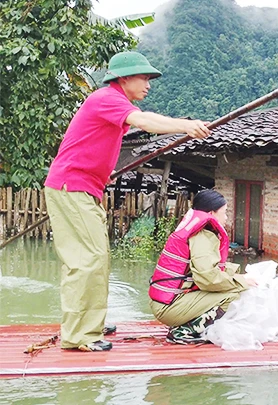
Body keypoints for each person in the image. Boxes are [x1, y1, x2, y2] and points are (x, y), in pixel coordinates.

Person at [44, 51, 211, 351]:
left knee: (94, 258)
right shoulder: (106, 98)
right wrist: (185, 125)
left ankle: (89, 322)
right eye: (144, 78)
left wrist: (102, 173)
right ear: (123, 78)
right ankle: (79, 334)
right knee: (86, 260)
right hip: (72, 186)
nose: (149, 84)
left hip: (84, 186)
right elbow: (145, 122)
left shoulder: (113, 103)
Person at [149, 190, 256, 344]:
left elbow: (205, 272)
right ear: (212, 213)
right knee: (234, 295)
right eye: (225, 213)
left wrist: (238, 274)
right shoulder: (202, 236)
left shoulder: (196, 231)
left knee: (234, 287)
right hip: (169, 308)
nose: (226, 218)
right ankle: (185, 332)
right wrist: (242, 281)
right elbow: (208, 279)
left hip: (165, 303)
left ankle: (187, 325)